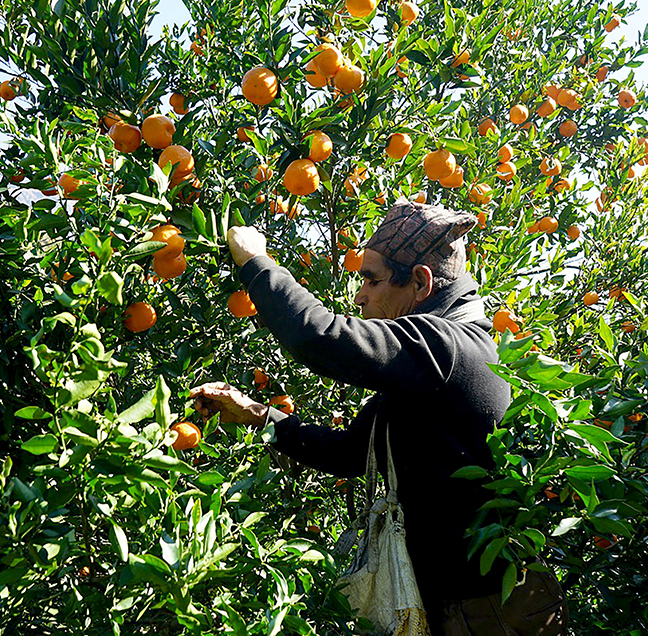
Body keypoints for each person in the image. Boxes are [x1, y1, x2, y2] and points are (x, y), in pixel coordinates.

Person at [190, 202, 568, 636]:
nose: (360, 295)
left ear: (421, 282)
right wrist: (259, 417)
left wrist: (257, 264)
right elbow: (349, 454)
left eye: (371, 279)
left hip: (491, 613)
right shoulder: (428, 369)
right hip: (456, 602)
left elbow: (319, 336)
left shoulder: (450, 347)